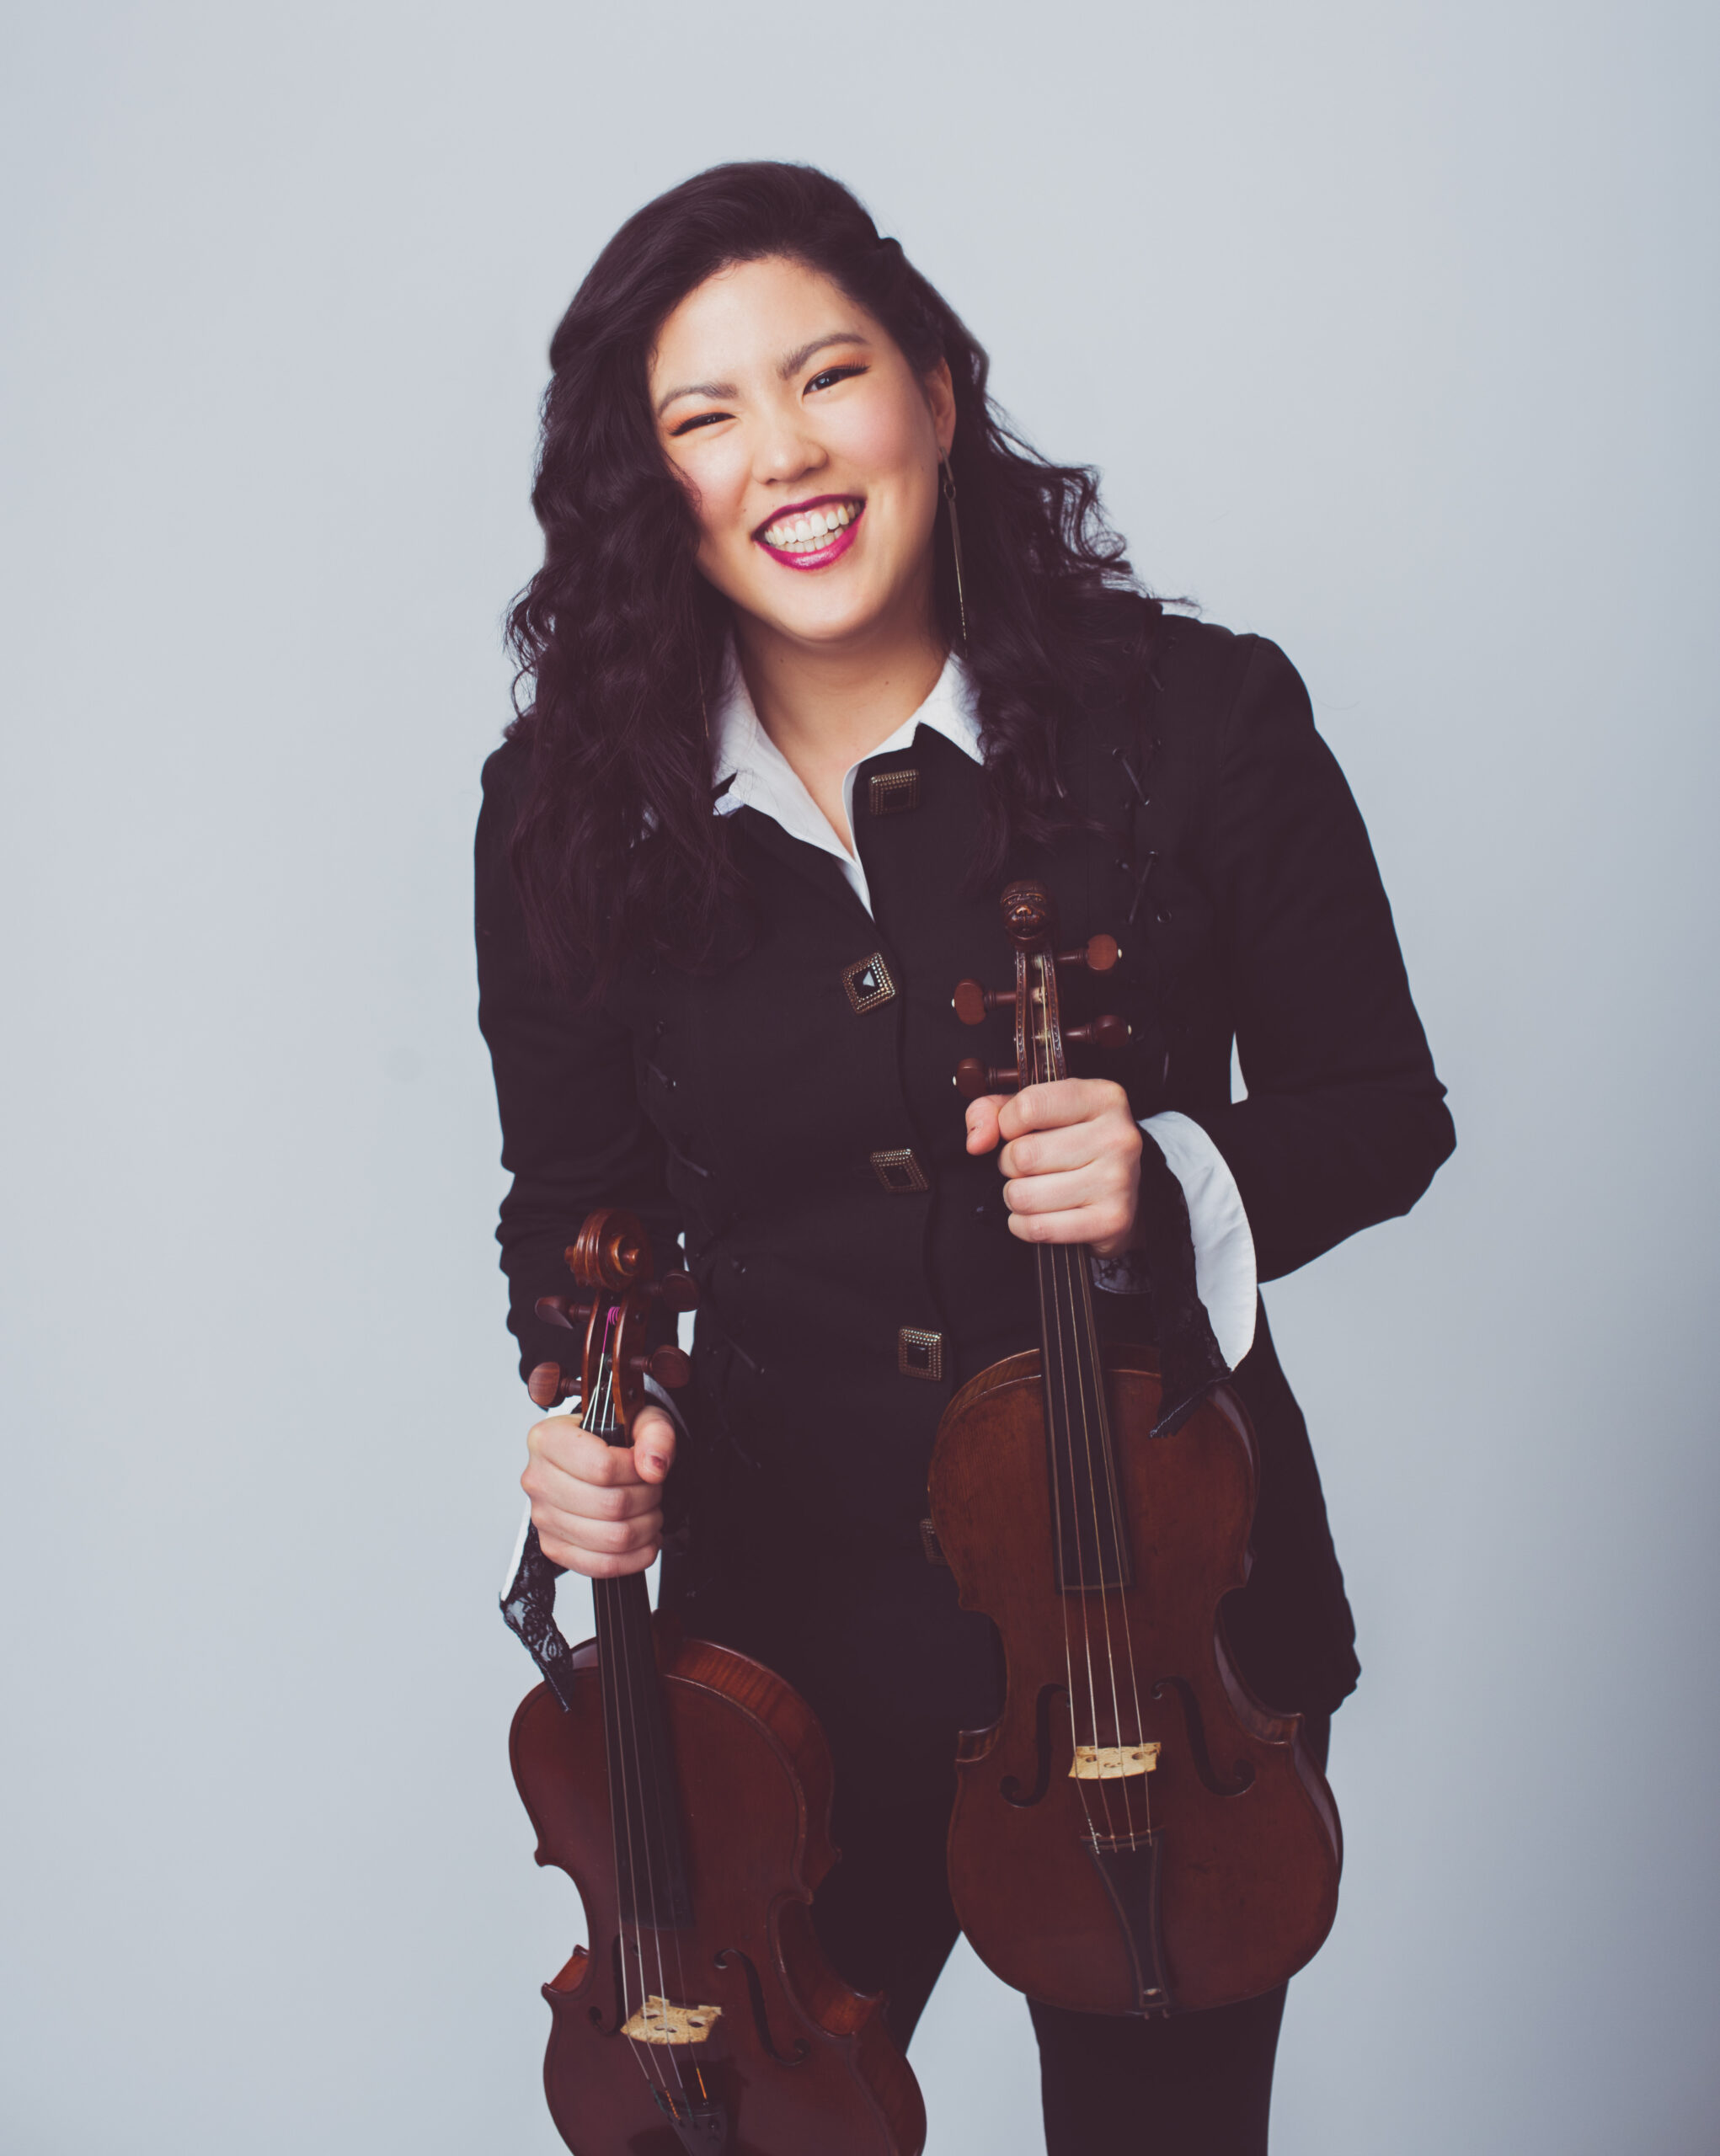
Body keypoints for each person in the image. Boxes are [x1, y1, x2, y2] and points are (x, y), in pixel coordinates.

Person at [477, 160, 1453, 2156]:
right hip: (770, 1670)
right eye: (704, 416)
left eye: (827, 376)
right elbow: (571, 1215)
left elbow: (1381, 1107)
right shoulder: (569, 813)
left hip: (1160, 1635)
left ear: (931, 384)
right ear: (644, 480)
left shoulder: (1198, 716)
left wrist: (1171, 1170)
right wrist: (597, 1412)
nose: (786, 455)